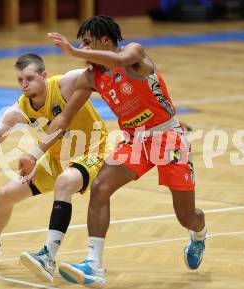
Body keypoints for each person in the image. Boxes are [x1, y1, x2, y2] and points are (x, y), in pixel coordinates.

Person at [19, 15, 207, 288]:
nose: (81, 48)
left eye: (86, 42)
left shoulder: (135, 55)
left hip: (168, 137)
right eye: (79, 44)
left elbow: (118, 62)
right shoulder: (90, 78)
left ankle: (199, 234)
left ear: (104, 41)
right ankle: (94, 265)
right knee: (100, 187)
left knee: (186, 217)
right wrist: (35, 153)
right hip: (134, 141)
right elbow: (63, 119)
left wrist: (72, 51)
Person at [0, 52, 108, 283]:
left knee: (65, 182)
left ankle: (48, 256)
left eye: (30, 78)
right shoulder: (19, 110)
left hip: (93, 151)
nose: (24, 84)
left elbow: (95, 75)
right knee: (6, 195)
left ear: (44, 76)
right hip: (55, 159)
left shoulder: (65, 84)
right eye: (20, 80)